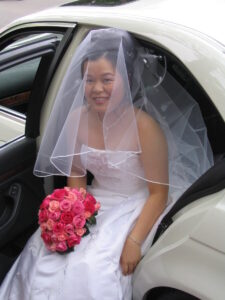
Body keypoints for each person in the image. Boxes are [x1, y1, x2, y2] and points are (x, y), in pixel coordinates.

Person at [0, 28, 213, 299]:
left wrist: (134, 241)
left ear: (126, 79)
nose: (97, 89)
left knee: (92, 267)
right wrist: (70, 216)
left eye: (107, 79)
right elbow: (77, 175)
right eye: (89, 80)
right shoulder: (77, 118)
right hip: (95, 202)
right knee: (46, 253)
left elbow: (159, 194)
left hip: (137, 204)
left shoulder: (145, 127)